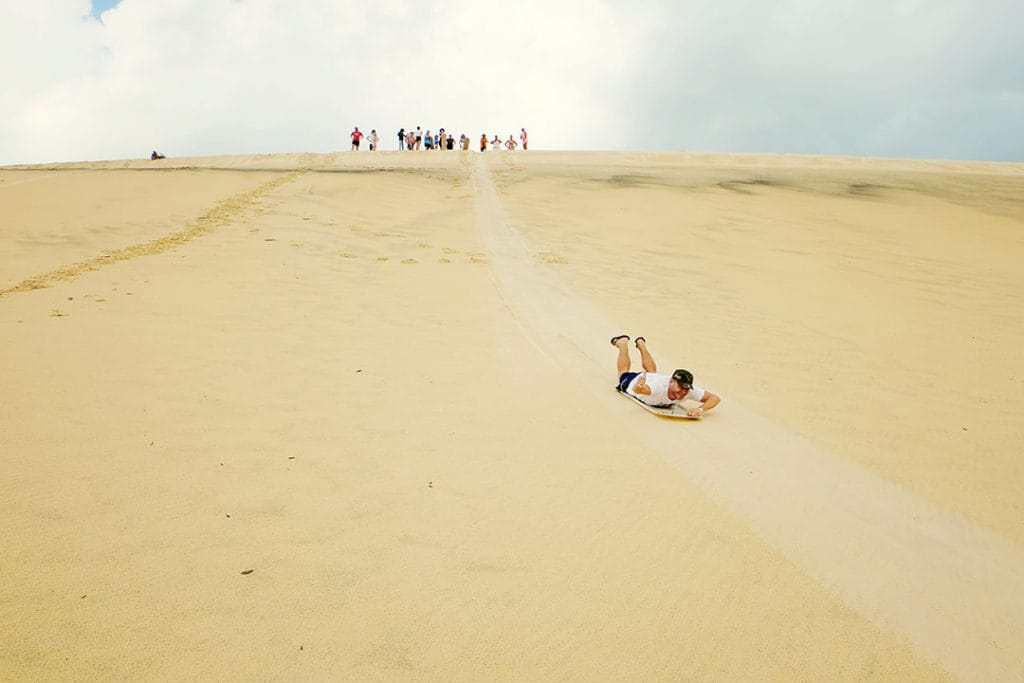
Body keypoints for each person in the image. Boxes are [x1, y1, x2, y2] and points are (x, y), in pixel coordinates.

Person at [610, 335, 720, 417]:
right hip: (634, 381)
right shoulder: (659, 387)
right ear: (671, 382)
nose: (682, 391)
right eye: (680, 387)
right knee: (623, 373)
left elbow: (715, 398)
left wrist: (700, 410)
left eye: (686, 388)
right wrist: (639, 386)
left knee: (652, 372)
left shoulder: (688, 390)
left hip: (652, 377)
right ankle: (623, 344)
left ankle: (641, 345)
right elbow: (642, 390)